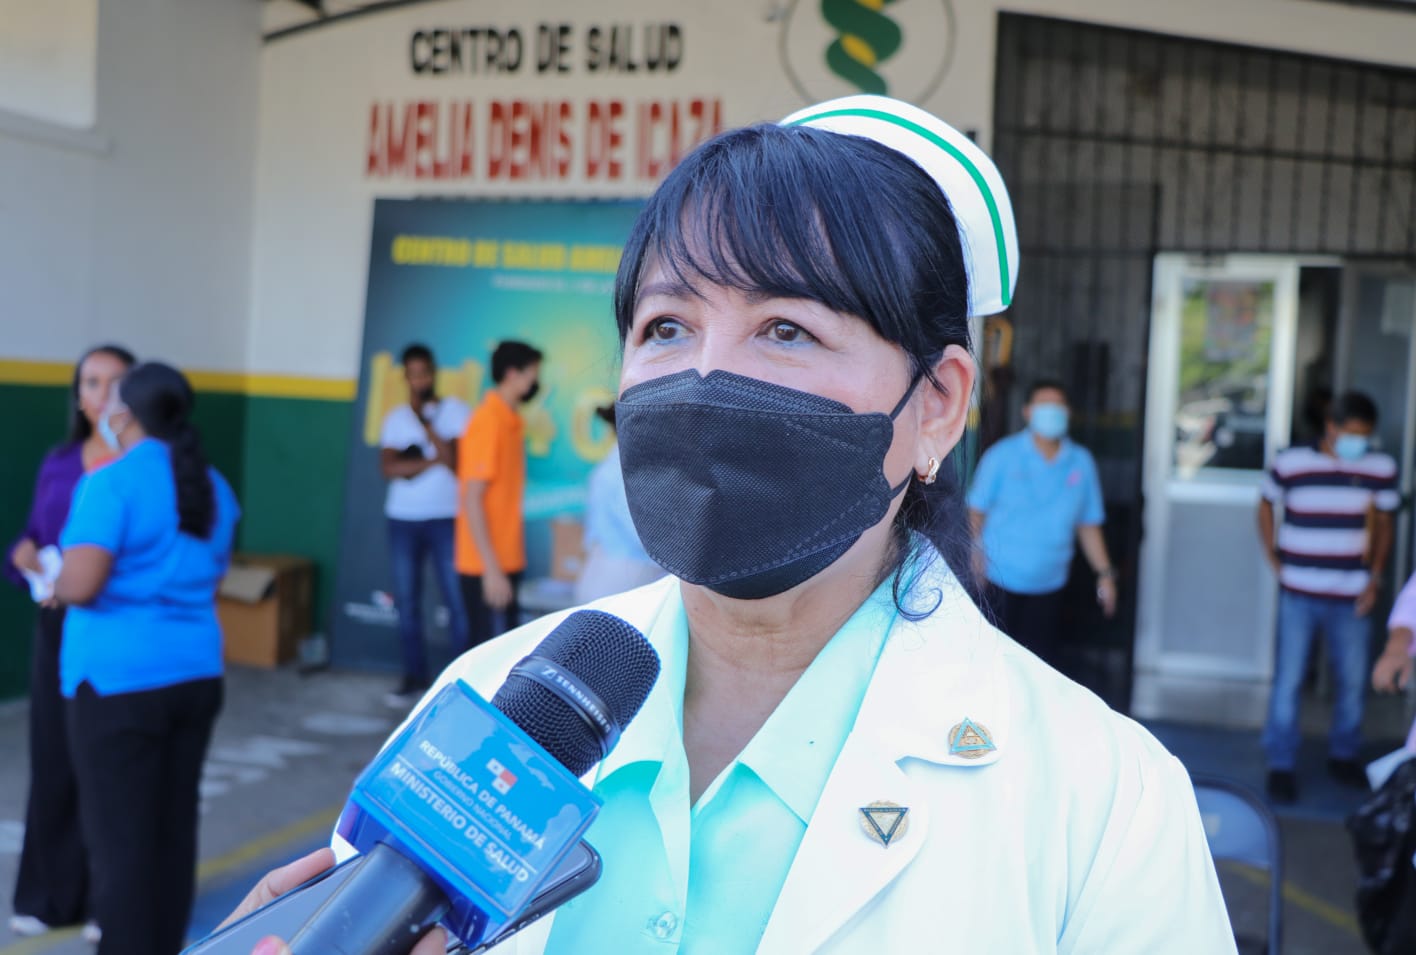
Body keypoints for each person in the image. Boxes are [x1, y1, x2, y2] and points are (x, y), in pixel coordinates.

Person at [232, 95, 1233, 954]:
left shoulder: (1103, 801)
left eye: (786, 329)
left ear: (937, 406)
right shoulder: (488, 703)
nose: (706, 378)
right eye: (666, 326)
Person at [53, 362, 240, 955]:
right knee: (171, 827)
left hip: (117, 683)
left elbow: (81, 583)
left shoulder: (110, 483)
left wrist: (54, 580)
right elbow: (212, 577)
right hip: (195, 673)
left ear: (125, 414)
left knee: (121, 843)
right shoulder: (215, 486)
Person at [5, 344, 134, 941]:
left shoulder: (143, 468)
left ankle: (112, 899)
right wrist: (24, 556)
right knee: (53, 757)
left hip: (114, 628)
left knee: (110, 763)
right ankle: (50, 895)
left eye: (116, 383)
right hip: (57, 627)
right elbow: (34, 534)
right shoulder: (59, 462)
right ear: (78, 396)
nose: (102, 394)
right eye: (91, 382)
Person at [1259, 389, 1399, 804]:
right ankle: (1280, 763)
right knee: (1288, 679)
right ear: (1331, 427)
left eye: (1365, 435)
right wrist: (1273, 558)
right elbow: (1265, 504)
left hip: (1353, 595)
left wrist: (1375, 577)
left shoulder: (1380, 467)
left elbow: (1385, 525)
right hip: (1299, 592)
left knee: (1352, 680)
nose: (1359, 442)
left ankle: (1344, 755)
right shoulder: (1291, 463)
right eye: (1352, 433)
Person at [967, 380, 1117, 668]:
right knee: (995, 665)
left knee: (1038, 667)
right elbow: (976, 513)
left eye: (1058, 405)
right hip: (998, 581)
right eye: (1044, 405)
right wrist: (973, 559)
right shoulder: (1001, 455)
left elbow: (1088, 525)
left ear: (1068, 412)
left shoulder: (1081, 462)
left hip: (1051, 584)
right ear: (1027, 411)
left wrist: (1105, 574)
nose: (1052, 411)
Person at [379, 343, 472, 707]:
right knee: (407, 600)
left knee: (456, 601)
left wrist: (426, 426)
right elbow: (390, 468)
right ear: (405, 377)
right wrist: (433, 461)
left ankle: (460, 685)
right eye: (412, 375)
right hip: (403, 519)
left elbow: (456, 462)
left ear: (434, 373)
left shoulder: (456, 411)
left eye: (424, 373)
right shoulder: (394, 417)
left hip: (445, 517)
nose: (419, 381)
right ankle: (414, 678)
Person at [455, 340, 542, 648]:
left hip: (506, 560)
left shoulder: (511, 421)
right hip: (485, 566)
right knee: (484, 654)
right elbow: (472, 499)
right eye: (532, 372)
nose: (535, 380)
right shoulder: (488, 422)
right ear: (511, 374)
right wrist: (491, 570)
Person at [571, 405, 663, 604]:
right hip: (620, 578)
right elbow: (642, 534)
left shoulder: (609, 466)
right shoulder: (623, 470)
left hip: (603, 571)